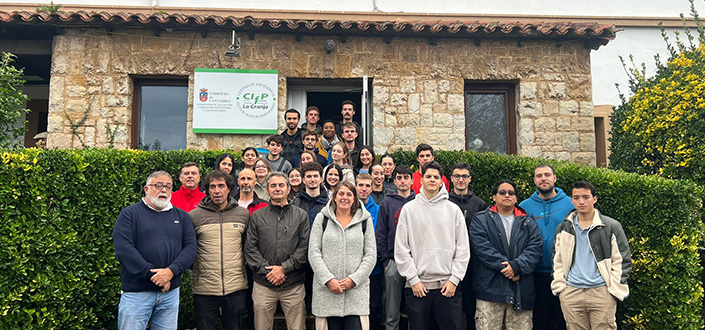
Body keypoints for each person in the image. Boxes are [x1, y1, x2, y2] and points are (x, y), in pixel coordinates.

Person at [113, 171, 197, 330]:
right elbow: (124, 249)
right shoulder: (130, 214)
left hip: (170, 294)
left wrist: (170, 272)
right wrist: (154, 276)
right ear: (146, 189)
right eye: (158, 186)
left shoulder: (182, 216)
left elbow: (190, 248)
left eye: (168, 186)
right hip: (137, 294)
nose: (163, 190)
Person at [394, 161, 469, 330]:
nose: (432, 180)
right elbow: (401, 249)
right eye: (428, 176)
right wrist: (413, 280)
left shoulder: (453, 210)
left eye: (436, 177)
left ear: (442, 181)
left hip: (448, 287)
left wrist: (454, 280)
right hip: (418, 288)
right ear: (421, 180)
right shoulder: (409, 209)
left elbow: (463, 249)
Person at [552, 180, 632, 330]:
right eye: (576, 198)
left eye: (586, 197)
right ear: (572, 200)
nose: (581, 201)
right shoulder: (564, 227)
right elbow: (557, 259)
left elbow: (622, 260)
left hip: (601, 293)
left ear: (594, 199)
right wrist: (561, 288)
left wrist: (613, 290)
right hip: (572, 293)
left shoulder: (610, 226)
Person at [470, 180, 542, 330]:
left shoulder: (528, 223)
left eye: (511, 193)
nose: (507, 195)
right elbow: (483, 249)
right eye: (502, 192)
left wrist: (516, 267)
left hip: (520, 292)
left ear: (516, 198)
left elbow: (534, 249)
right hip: (489, 290)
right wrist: (510, 269)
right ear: (494, 197)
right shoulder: (481, 220)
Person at [245, 172, 310, 330]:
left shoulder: (301, 216)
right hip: (264, 284)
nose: (277, 188)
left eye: (281, 185)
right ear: (267, 190)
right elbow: (250, 248)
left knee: (297, 327)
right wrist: (268, 272)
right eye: (273, 185)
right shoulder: (257, 216)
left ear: (288, 189)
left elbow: (305, 247)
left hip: (293, 284)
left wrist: (284, 268)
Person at [308, 181, 377, 330]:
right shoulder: (322, 218)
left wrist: (354, 279)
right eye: (341, 194)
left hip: (356, 294)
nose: (345, 197)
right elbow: (314, 252)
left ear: (354, 198)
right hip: (327, 293)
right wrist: (328, 279)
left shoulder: (365, 220)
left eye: (349, 194)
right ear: (334, 197)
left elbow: (370, 255)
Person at [190, 170, 250, 330]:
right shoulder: (194, 216)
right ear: (207, 190)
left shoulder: (243, 214)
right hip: (204, 288)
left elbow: (248, 248)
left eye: (221, 186)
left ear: (229, 188)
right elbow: (189, 250)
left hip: (235, 287)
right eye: (212, 187)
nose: (217, 191)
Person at [519, 164, 573, 330]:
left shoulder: (570, 204)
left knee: (565, 322)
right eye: (539, 175)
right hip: (534, 275)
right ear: (534, 180)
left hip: (565, 275)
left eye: (547, 175)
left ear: (554, 178)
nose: (543, 178)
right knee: (539, 323)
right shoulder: (525, 206)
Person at [446, 162, 486, 329]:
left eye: (464, 176)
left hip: (473, 262)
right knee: (449, 304)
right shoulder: (444, 201)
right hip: (448, 261)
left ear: (469, 179)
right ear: (451, 179)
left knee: (470, 303)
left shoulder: (479, 204)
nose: (460, 179)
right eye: (457, 176)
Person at [376, 165, 415, 330]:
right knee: (391, 308)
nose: (403, 181)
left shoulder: (419, 201)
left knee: (416, 306)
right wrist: (385, 261)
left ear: (412, 180)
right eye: (399, 177)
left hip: (416, 262)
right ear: (395, 180)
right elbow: (381, 232)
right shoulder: (387, 202)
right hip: (393, 261)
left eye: (406, 177)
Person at [356, 173, 383, 330]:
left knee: (373, 307)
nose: (364, 189)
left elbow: (380, 237)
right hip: (353, 269)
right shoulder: (349, 209)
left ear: (372, 188)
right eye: (361, 185)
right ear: (356, 187)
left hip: (374, 268)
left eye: (367, 186)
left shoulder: (379, 210)